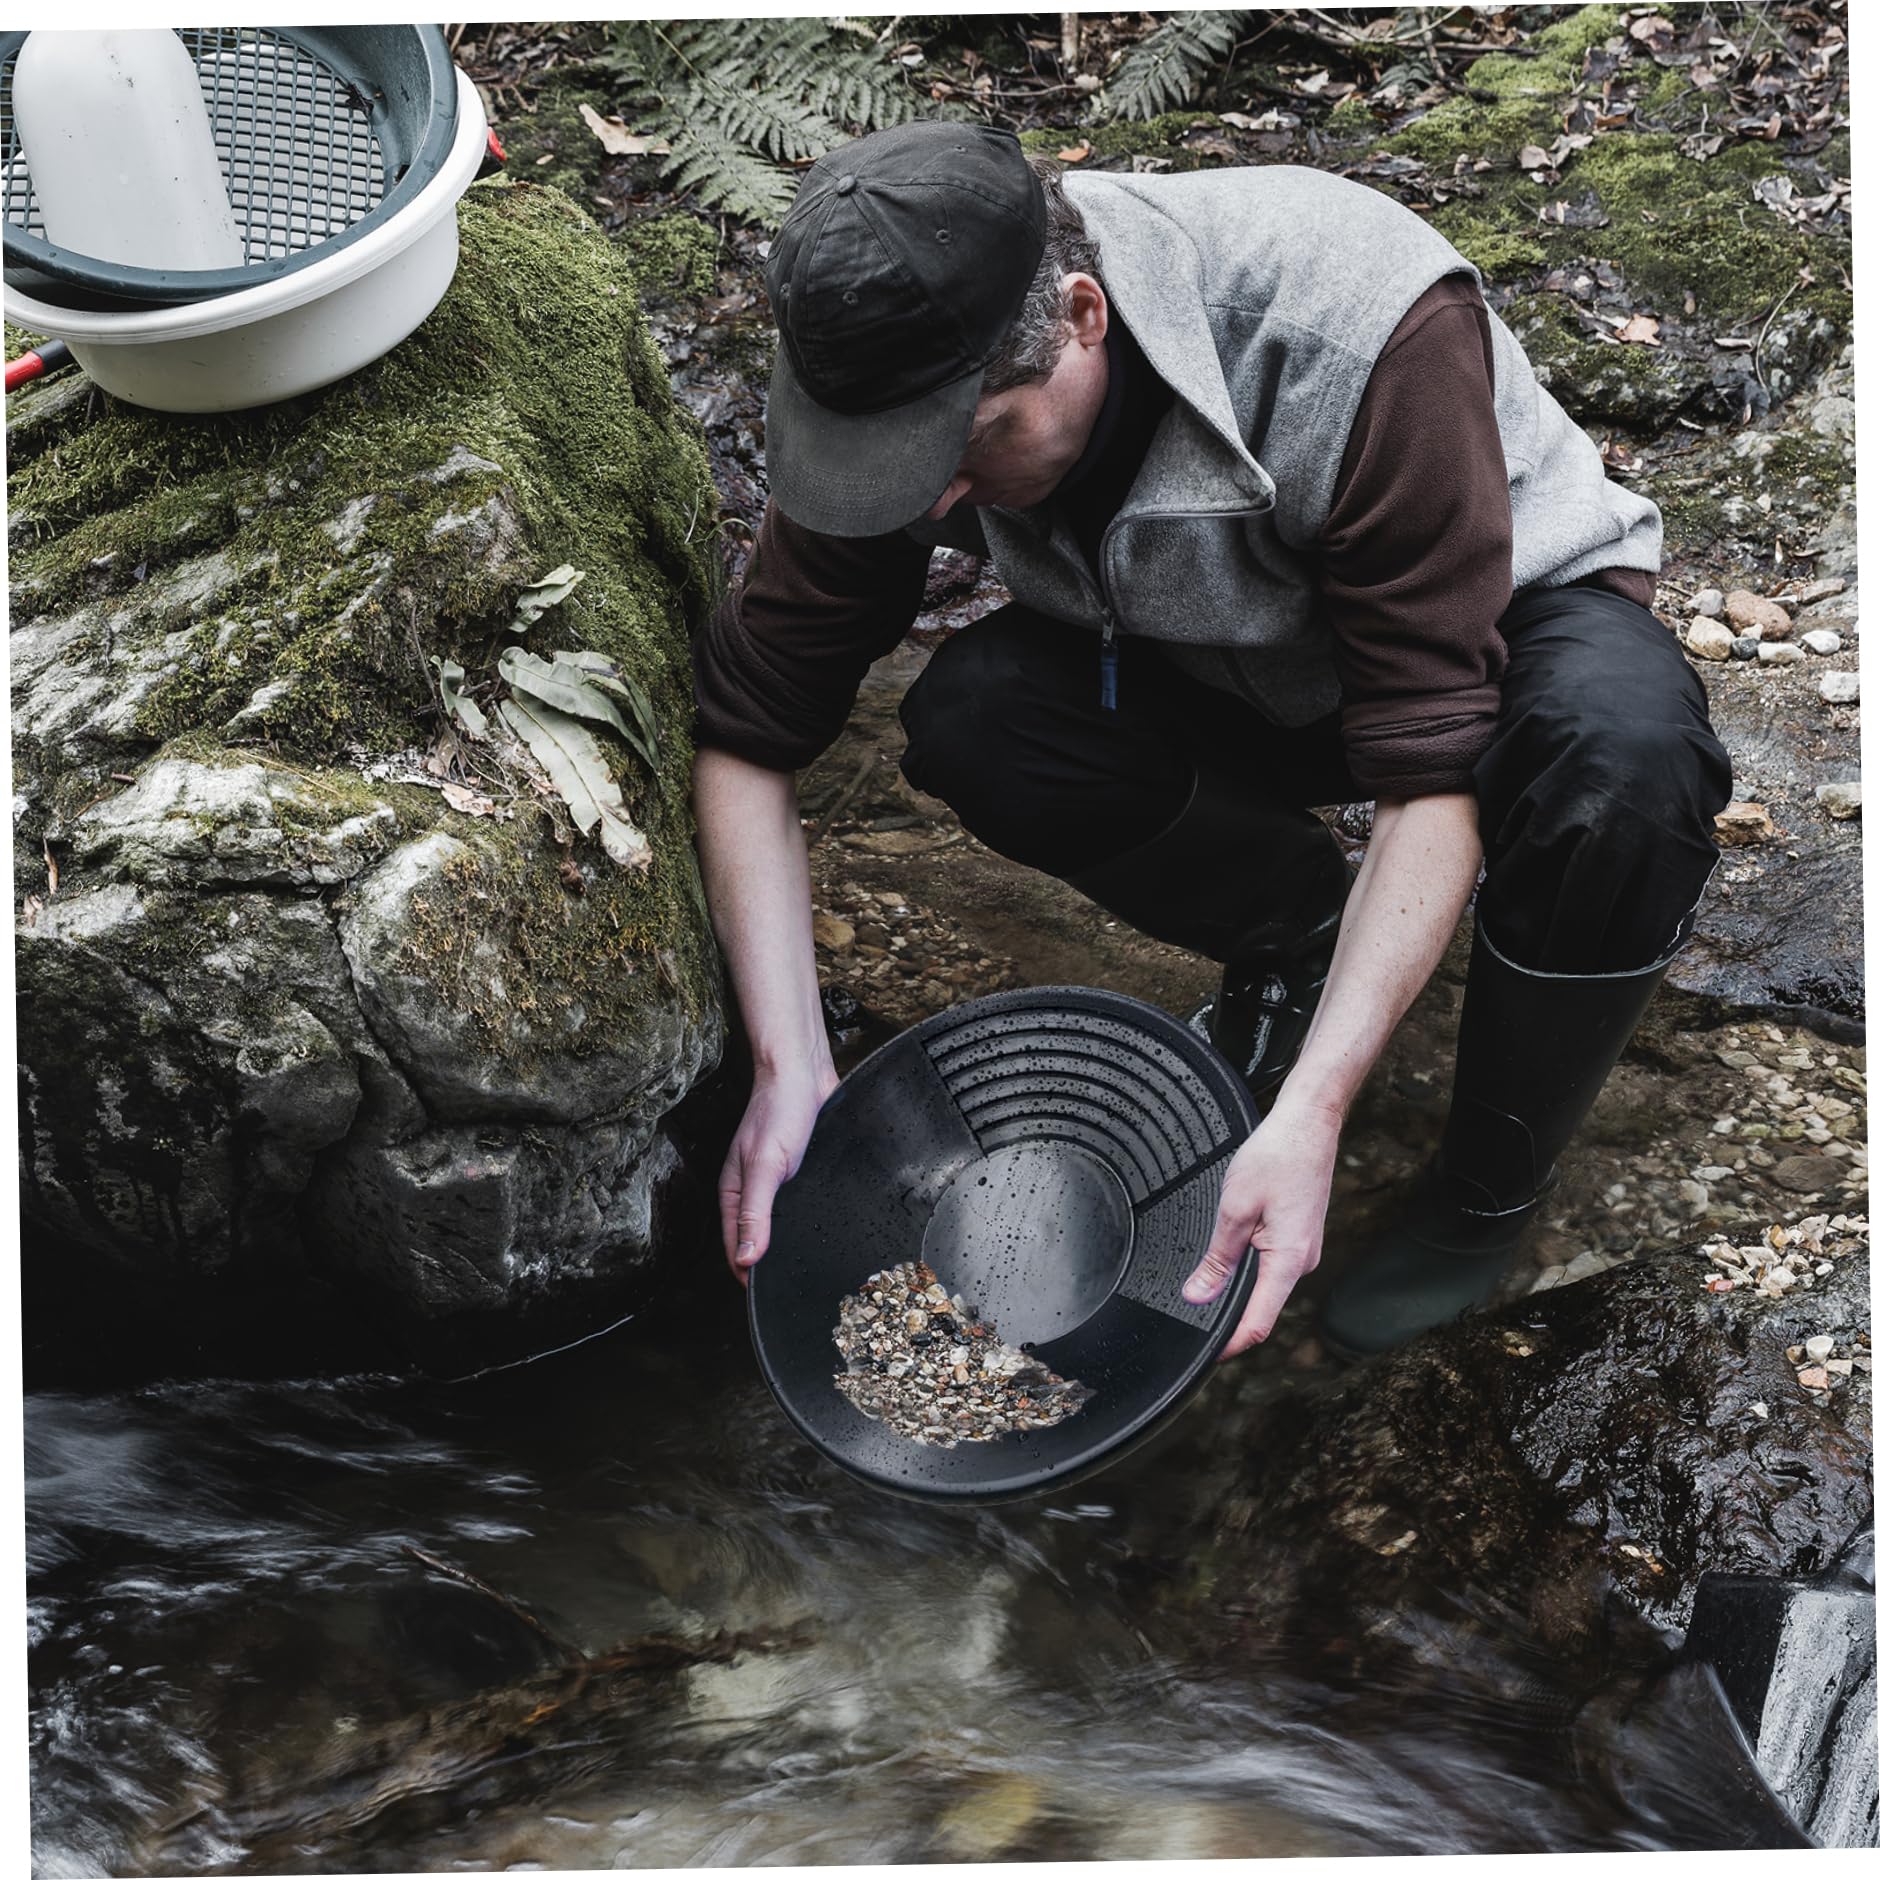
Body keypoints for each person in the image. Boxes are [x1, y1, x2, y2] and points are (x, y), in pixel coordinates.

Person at [689, 122, 1731, 1358]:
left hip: (1501, 630)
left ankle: (1481, 1195)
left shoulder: (1353, 324)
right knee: (977, 713)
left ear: (1080, 317)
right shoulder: (877, 372)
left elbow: (1431, 770)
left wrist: (1313, 1112)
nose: (926, 500)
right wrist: (790, 1068)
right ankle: (1294, 936)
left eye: (964, 447)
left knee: (1619, 769)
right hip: (1209, 647)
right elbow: (751, 729)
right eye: (889, 468)